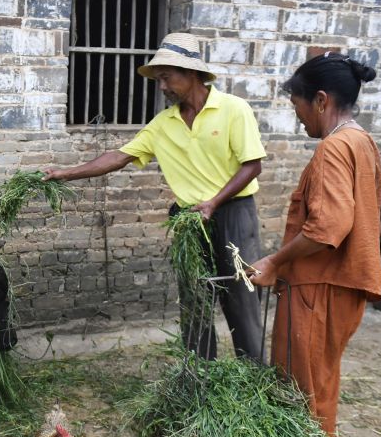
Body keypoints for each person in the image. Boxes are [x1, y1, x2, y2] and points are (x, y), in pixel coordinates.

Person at [44, 32, 266, 361]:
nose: (161, 87)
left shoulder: (234, 109)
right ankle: (198, 375)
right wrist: (65, 173)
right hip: (190, 220)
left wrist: (214, 202)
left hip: (234, 214)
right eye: (158, 80)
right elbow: (118, 156)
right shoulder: (164, 123)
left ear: (191, 74)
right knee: (194, 299)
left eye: (166, 78)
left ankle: (253, 376)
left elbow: (252, 165)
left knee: (241, 295)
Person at [248, 52, 381, 437]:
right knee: (320, 384)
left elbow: (328, 228)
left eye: (297, 104)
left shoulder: (333, 148)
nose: (298, 116)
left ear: (321, 100)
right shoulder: (362, 141)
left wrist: (274, 261)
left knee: (302, 390)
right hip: (342, 285)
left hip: (319, 288)